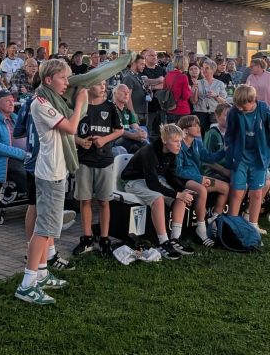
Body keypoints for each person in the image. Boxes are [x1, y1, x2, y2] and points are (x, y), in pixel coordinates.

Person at [15, 59, 87, 305]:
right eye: (63, 78)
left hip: (55, 171)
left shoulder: (50, 100)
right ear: (48, 80)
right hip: (49, 173)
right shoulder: (41, 102)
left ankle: (42, 274)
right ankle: (27, 284)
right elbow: (71, 127)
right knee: (44, 230)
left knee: (49, 230)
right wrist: (80, 102)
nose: (67, 82)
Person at [119, 124, 196, 261]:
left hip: (151, 180)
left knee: (180, 198)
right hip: (132, 181)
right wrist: (177, 193)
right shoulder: (149, 152)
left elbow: (171, 177)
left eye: (180, 141)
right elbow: (153, 184)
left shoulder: (172, 153)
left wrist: (181, 190)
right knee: (158, 198)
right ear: (164, 140)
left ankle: (174, 239)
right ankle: (163, 242)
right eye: (175, 141)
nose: (179, 145)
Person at [72, 80, 122, 257]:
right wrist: (80, 141)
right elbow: (70, 131)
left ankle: (104, 239)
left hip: (104, 160)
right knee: (85, 200)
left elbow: (119, 130)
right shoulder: (80, 106)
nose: (103, 87)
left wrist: (104, 139)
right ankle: (87, 238)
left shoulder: (110, 107)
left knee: (104, 201)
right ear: (88, 86)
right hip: (84, 160)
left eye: (105, 84)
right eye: (99, 84)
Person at [223, 84, 270, 234]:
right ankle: (232, 224)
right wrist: (231, 155)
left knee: (257, 192)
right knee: (237, 191)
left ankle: (253, 224)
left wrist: (267, 154)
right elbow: (229, 135)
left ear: (253, 100)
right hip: (240, 157)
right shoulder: (234, 112)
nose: (240, 108)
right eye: (237, 105)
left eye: (243, 106)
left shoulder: (265, 110)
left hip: (258, 158)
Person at [176, 115, 229, 246]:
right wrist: (199, 178)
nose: (198, 127)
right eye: (195, 125)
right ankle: (201, 229)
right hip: (184, 181)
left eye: (198, 124)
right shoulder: (178, 145)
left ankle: (214, 220)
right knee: (202, 190)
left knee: (226, 187)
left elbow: (209, 157)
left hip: (200, 179)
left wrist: (225, 150)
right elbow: (178, 171)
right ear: (185, 129)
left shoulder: (197, 143)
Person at [193, 58, 229, 133]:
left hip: (214, 113)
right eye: (203, 68)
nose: (204, 70)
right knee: (201, 135)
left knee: (214, 134)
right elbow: (193, 101)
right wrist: (195, 90)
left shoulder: (219, 83)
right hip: (200, 113)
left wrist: (216, 96)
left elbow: (224, 102)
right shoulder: (197, 83)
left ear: (213, 70)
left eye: (207, 68)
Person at [112, 82, 148, 153]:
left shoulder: (128, 111)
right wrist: (133, 135)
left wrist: (142, 133)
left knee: (142, 131)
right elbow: (116, 130)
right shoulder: (110, 108)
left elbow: (136, 127)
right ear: (115, 93)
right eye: (123, 92)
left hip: (128, 140)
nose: (126, 94)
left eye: (128, 93)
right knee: (133, 136)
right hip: (115, 141)